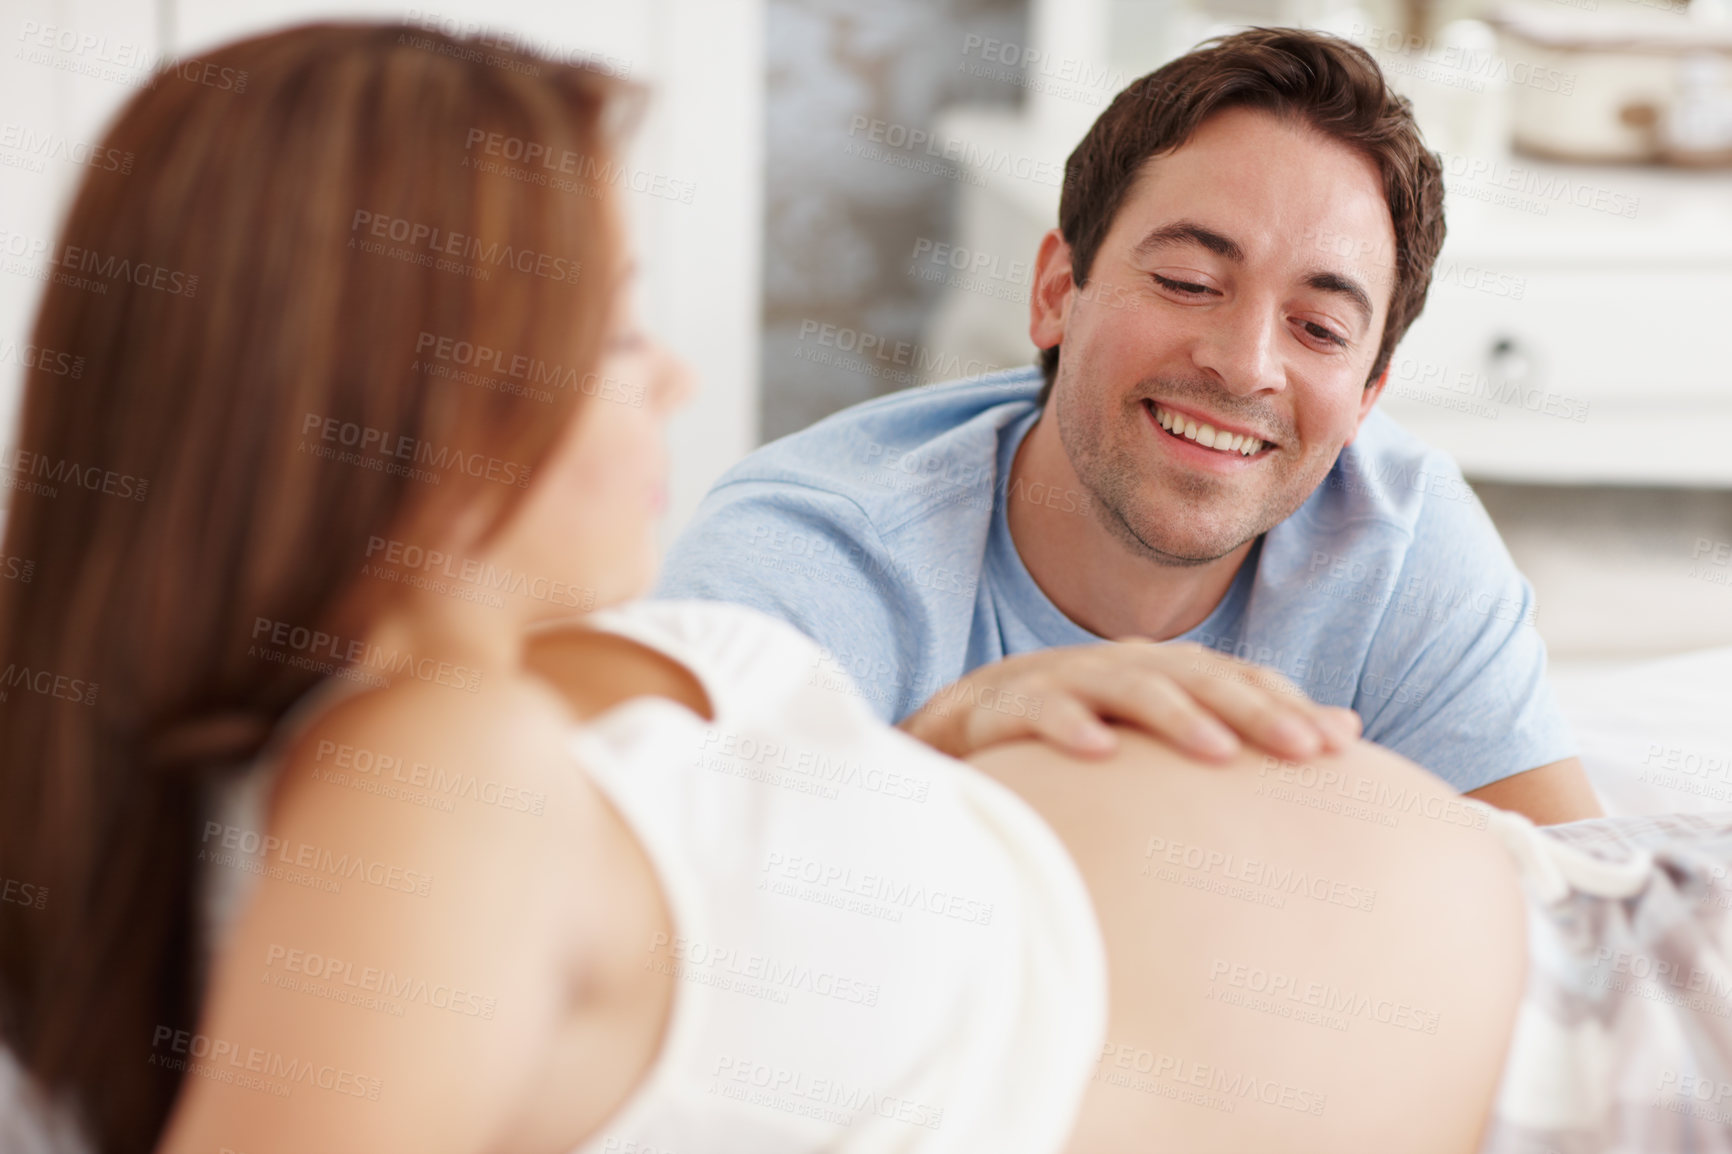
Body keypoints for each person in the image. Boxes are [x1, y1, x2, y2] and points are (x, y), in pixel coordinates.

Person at [1, 23, 1727, 1154]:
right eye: (606, 330)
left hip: (1596, 953)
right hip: (1574, 1065)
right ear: (412, 385)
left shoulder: (477, 718)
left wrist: (935, 743)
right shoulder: (431, 770)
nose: (670, 378)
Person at [656, 28, 1602, 825]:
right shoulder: (812, 559)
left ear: (1367, 396)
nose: (1244, 365)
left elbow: (1580, 926)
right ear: (1058, 292)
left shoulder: (1400, 544)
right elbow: (668, 922)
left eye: (1318, 329)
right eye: (1188, 282)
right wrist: (943, 745)